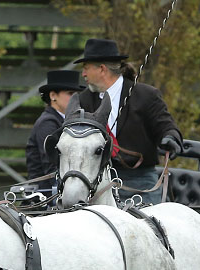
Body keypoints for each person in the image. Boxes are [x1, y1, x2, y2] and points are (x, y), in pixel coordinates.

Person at [74, 38, 183, 204]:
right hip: (97, 182)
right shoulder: (83, 100)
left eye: (86, 68)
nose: (83, 74)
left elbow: (166, 126)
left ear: (102, 69)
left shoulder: (146, 95)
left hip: (140, 181)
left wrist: (171, 138)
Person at [25, 69, 85, 191]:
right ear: (53, 96)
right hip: (47, 196)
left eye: (76, 94)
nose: (75, 98)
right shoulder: (47, 123)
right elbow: (51, 166)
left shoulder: (63, 120)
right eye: (70, 93)